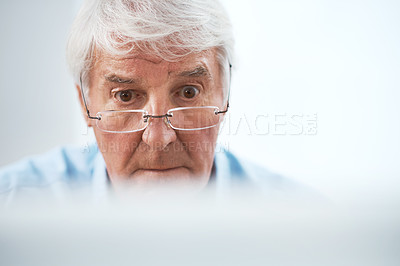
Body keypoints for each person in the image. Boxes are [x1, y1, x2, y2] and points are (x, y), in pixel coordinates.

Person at [0, 0, 308, 201]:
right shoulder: (12, 205)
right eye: (125, 96)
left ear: (225, 94)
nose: (159, 139)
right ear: (84, 104)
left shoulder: (300, 223)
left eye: (188, 92)